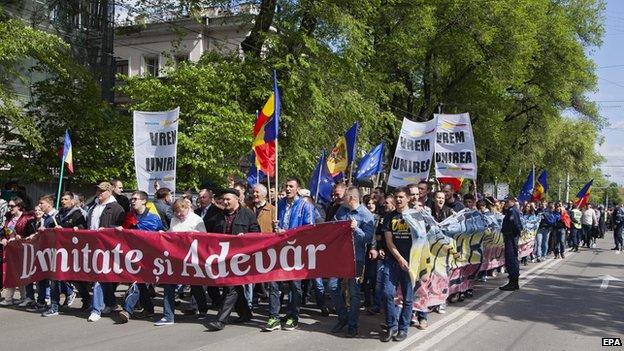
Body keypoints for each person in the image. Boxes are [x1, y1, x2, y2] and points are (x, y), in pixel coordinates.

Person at [264, 178, 316, 332]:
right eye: (286, 186)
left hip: (297, 251)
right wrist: (276, 226)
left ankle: (293, 315)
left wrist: (286, 233)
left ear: (297, 189)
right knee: (273, 282)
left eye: (291, 186)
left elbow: (309, 229)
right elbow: (277, 226)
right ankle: (274, 316)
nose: (287, 189)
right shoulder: (279, 205)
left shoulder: (305, 206)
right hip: (280, 250)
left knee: (295, 285)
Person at [205, 188, 260, 331]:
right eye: (224, 199)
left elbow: (256, 233)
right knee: (234, 287)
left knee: (232, 288)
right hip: (223, 258)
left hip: (241, 258)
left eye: (228, 199)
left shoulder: (248, 215)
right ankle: (245, 313)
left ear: (237, 199)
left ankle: (220, 320)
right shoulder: (217, 215)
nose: (225, 202)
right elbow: (207, 234)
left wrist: (246, 237)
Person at [329, 187, 374, 337]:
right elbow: (333, 227)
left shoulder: (366, 215)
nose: (342, 199)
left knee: (354, 293)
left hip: (356, 258)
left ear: (352, 198)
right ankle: (343, 318)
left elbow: (368, 238)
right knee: (333, 286)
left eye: (345, 196)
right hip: (340, 256)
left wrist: (356, 229)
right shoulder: (342, 210)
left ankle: (352, 325)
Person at [155, 199, 207, 326]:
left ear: (187, 208)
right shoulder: (174, 219)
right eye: (176, 212)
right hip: (175, 257)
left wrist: (191, 235)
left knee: (196, 286)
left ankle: (203, 310)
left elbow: (204, 237)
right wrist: (164, 234)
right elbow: (171, 234)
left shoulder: (197, 220)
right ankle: (168, 316)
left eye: (181, 212)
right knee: (169, 285)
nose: (179, 215)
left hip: (191, 258)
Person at [117, 191, 164, 323]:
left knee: (137, 282)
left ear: (143, 201)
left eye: (135, 199)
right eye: (131, 199)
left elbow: (155, 236)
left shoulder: (153, 218)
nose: (132, 201)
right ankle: (149, 309)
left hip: (148, 257)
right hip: (132, 255)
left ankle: (127, 309)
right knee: (141, 284)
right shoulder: (129, 216)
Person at [41, 192, 87, 317]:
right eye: (62, 199)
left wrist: (70, 229)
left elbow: (83, 228)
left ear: (72, 201)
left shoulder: (78, 214)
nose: (63, 201)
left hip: (72, 251)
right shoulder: (59, 213)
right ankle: (54, 306)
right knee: (55, 278)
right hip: (58, 251)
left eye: (66, 199)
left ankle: (87, 300)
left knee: (75, 278)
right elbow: (51, 225)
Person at [86, 182, 126, 322]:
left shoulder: (116, 208)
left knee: (99, 277)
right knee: (104, 277)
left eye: (102, 191)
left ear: (109, 192)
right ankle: (111, 303)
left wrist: (107, 230)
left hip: (108, 247)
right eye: (98, 190)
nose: (99, 193)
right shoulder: (93, 206)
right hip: (93, 246)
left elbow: (121, 228)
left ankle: (96, 309)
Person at [380, 187, 415, 342]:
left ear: (408, 198)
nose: (398, 199)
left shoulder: (416, 216)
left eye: (401, 197)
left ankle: (403, 329)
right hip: (393, 261)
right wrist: (400, 258)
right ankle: (391, 326)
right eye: (396, 197)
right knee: (387, 293)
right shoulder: (389, 217)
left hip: (411, 264)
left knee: (408, 298)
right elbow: (389, 241)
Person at [0, 197, 33, 306]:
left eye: (12, 206)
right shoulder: (9, 217)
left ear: (19, 206)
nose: (9, 208)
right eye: (9, 206)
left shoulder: (27, 218)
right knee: (16, 273)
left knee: (15, 273)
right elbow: (4, 232)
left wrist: (21, 237)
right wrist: (3, 238)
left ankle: (9, 299)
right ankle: (23, 297)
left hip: (22, 250)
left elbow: (32, 235)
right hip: (10, 250)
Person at [500, 196, 522, 291]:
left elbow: (516, 225)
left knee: (511, 258)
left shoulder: (512, 211)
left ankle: (513, 282)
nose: (505, 203)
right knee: (511, 258)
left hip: (511, 237)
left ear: (511, 201)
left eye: (507, 201)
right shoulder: (512, 210)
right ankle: (513, 282)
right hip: (511, 236)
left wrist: (514, 235)